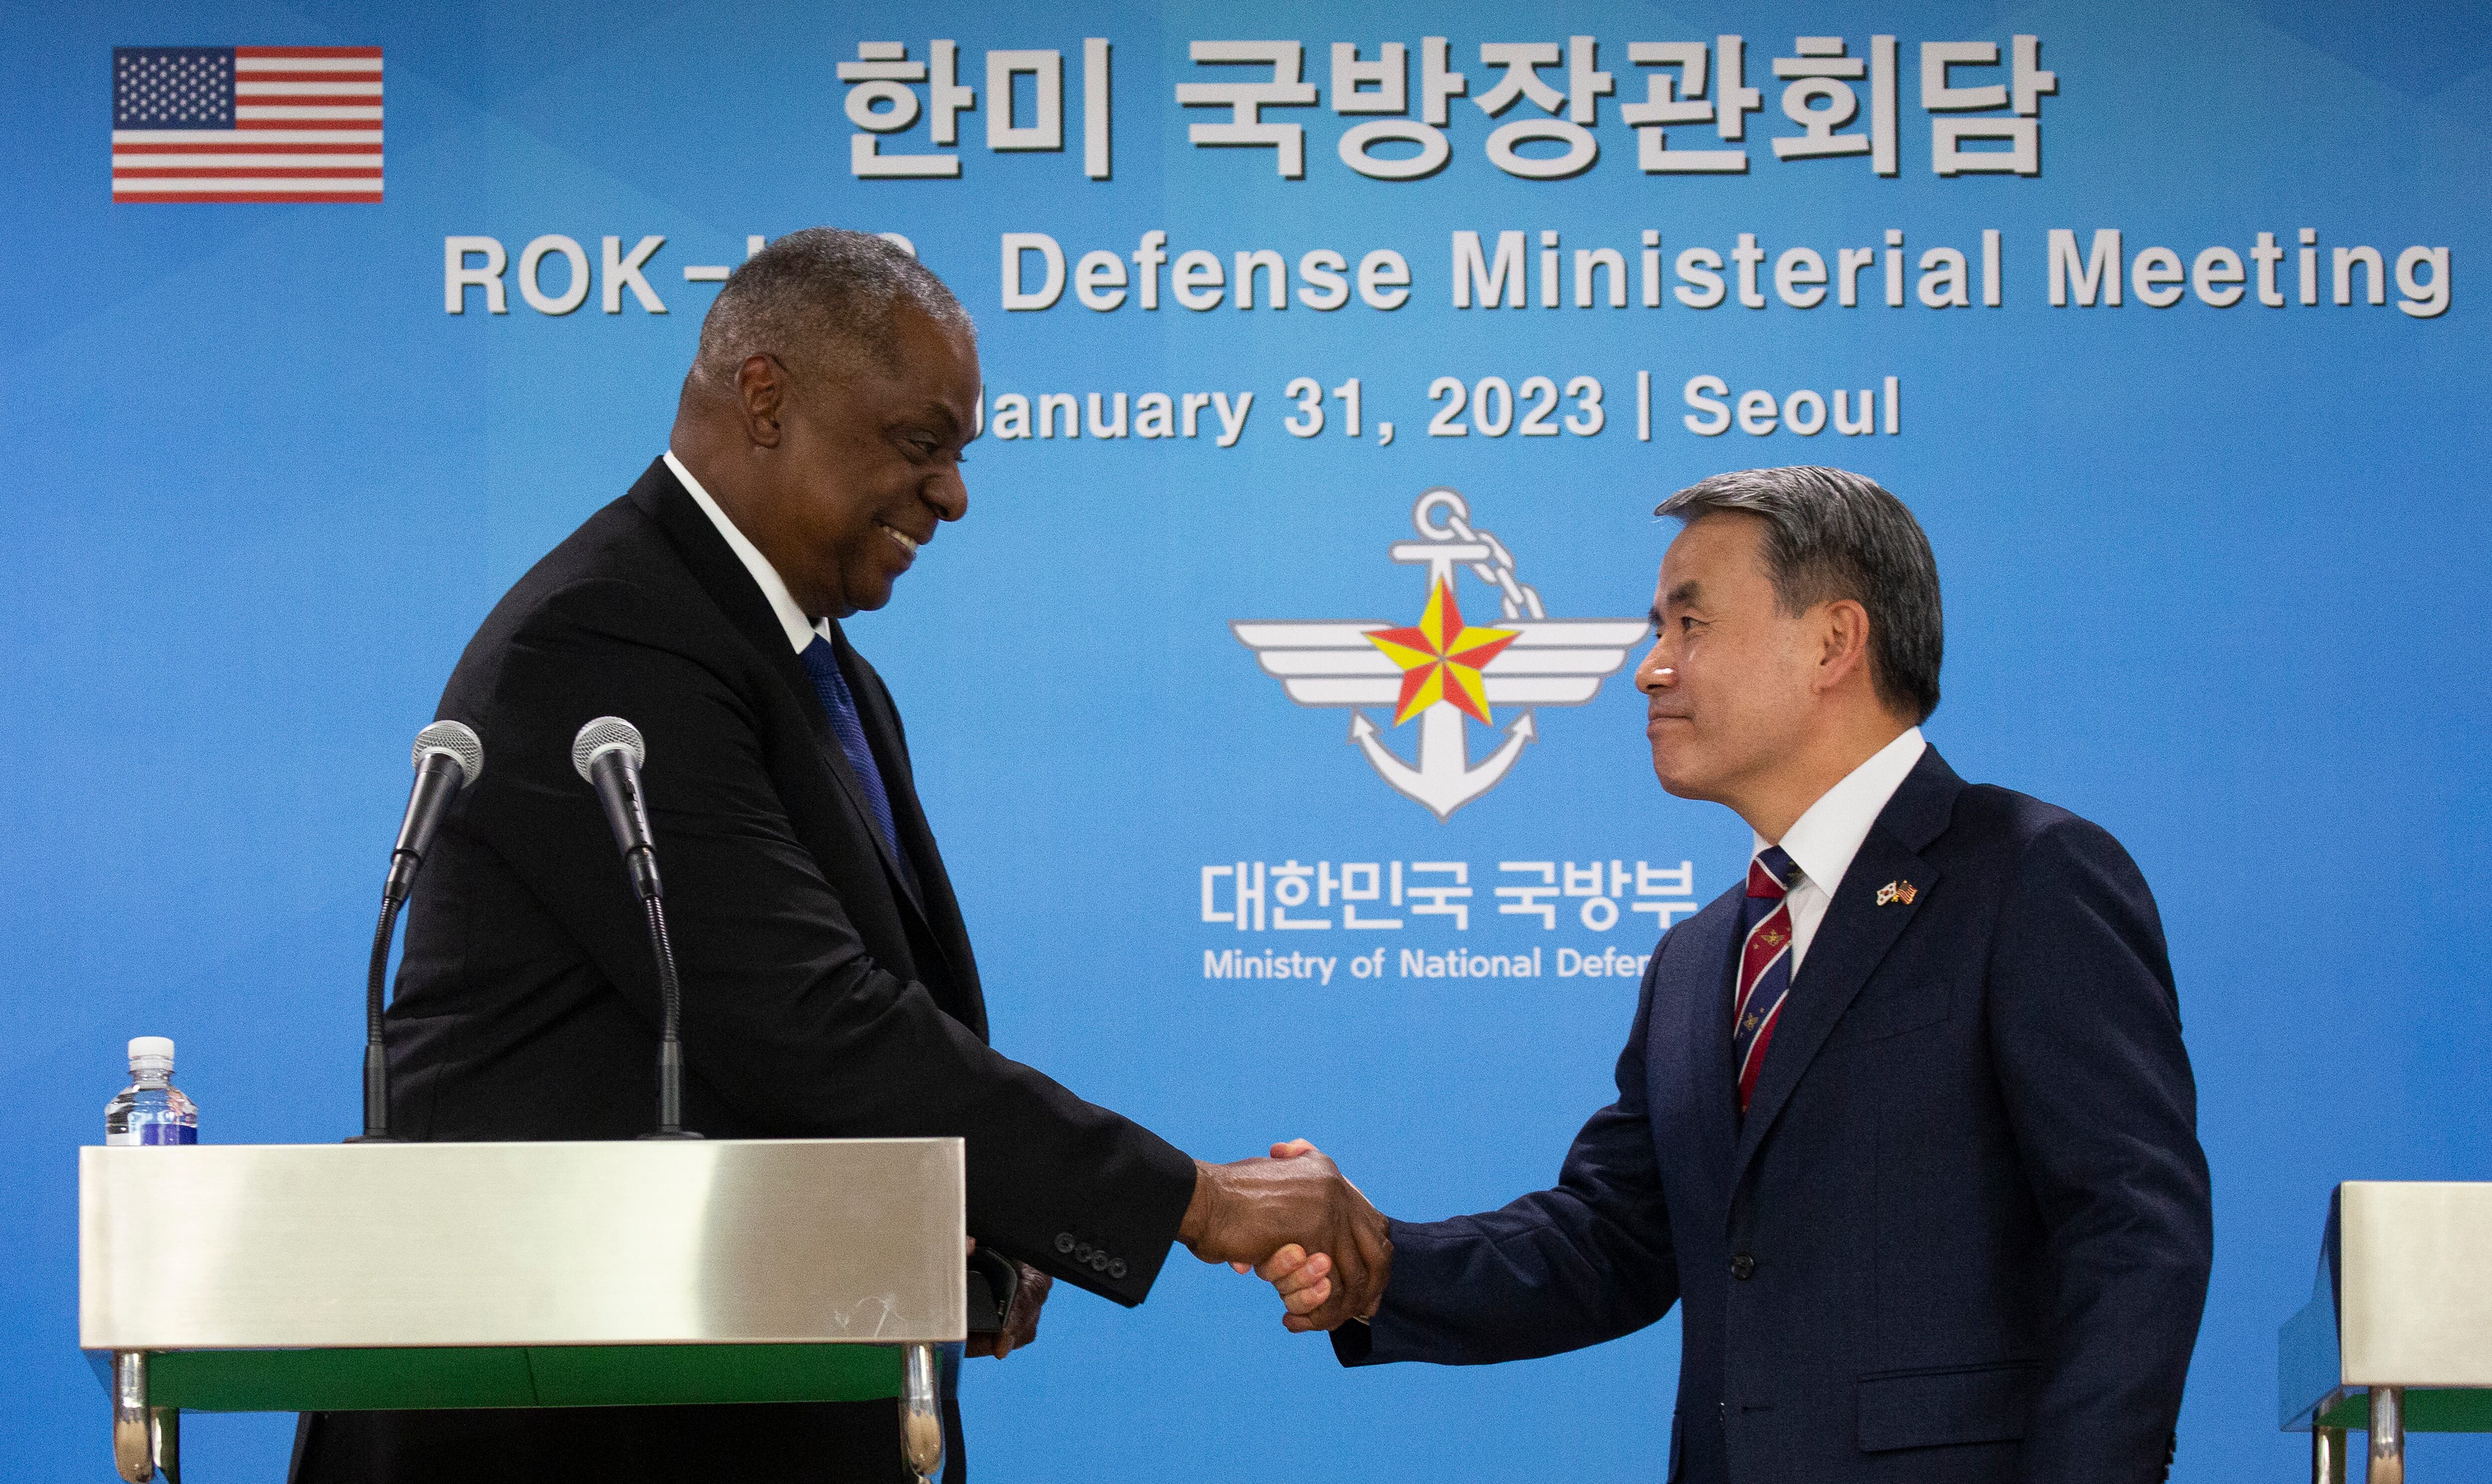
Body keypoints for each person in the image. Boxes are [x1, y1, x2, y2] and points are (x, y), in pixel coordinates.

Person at [289, 228, 1386, 1484]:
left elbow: (850, 1045)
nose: (953, 494)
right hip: (561, 1422)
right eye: (922, 444)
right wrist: (1198, 1201)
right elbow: (806, 1023)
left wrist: (970, 1222)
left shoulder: (822, 672)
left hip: (750, 1397)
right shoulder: (601, 641)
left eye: (959, 455)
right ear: (767, 397)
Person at [1257, 467, 2213, 1484]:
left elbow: (2132, 1233)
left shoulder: (2026, 874)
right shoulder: (1699, 958)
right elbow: (1609, 1239)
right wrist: (1375, 1261)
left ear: (1833, 641)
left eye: (1688, 624)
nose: (1649, 667)